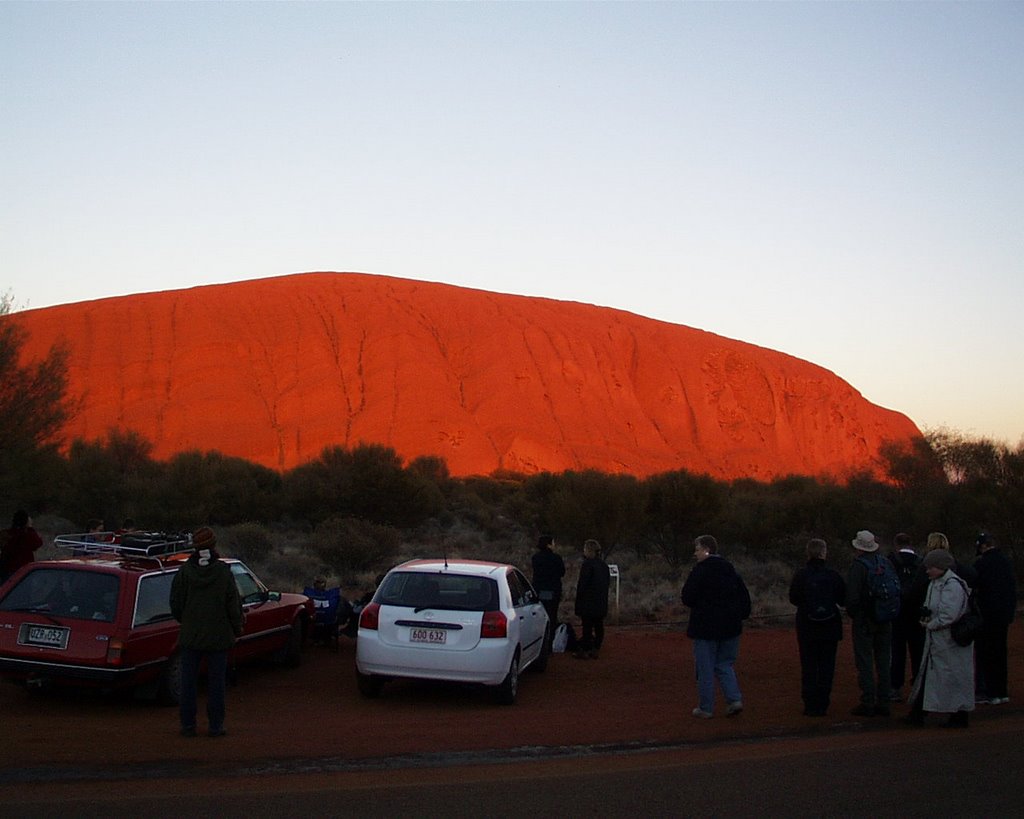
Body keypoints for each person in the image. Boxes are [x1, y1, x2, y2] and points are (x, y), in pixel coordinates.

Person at [170, 527, 243, 738]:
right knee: (216, 684)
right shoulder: (222, 572)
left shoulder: (185, 572)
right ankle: (216, 725)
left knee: (188, 683)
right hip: (219, 637)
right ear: (213, 546)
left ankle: (188, 725)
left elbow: (175, 603)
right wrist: (237, 627)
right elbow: (233, 604)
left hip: (191, 635)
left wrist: (187, 620)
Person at [681, 534, 751, 718]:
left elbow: (687, 597)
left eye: (697, 549)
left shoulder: (700, 571)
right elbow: (744, 599)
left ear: (706, 549)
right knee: (725, 664)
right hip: (731, 627)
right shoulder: (730, 570)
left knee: (705, 668)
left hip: (706, 627)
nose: (695, 553)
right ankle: (734, 699)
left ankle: (706, 707)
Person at [905, 548, 974, 728]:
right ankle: (925, 712)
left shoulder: (952, 585)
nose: (927, 571)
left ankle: (952, 713)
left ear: (941, 567)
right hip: (940, 642)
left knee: (951, 677)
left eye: (930, 567)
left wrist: (930, 624)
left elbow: (948, 615)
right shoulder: (937, 583)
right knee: (939, 676)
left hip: (948, 641)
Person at [788, 538, 846, 716]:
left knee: (809, 665)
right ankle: (823, 703)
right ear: (823, 553)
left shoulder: (801, 575)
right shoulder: (833, 575)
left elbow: (794, 598)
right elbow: (843, 599)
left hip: (807, 626)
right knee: (827, 666)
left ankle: (810, 703)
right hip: (830, 626)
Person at [845, 530, 894, 716]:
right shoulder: (886, 562)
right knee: (883, 660)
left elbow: (852, 597)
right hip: (885, 618)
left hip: (865, 620)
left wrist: (855, 614)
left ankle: (868, 700)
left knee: (865, 660)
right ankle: (884, 701)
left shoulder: (859, 566)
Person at [972, 533, 1017, 705]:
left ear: (983, 546)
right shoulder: (1005, 562)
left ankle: (990, 693)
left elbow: (974, 588)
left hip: (986, 616)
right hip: (1003, 616)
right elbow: (1011, 590)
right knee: (1000, 653)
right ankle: (1002, 691)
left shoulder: (981, 564)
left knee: (986, 654)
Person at [889, 533, 924, 702]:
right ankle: (918, 685)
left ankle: (895, 686)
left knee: (897, 651)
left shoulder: (891, 560)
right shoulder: (921, 562)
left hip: (897, 612)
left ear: (896, 544)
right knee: (917, 650)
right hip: (917, 612)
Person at [573, 539, 610, 659]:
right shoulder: (604, 565)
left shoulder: (587, 564)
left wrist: (579, 600)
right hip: (601, 600)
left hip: (588, 601)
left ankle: (585, 649)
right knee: (599, 625)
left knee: (587, 626)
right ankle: (596, 648)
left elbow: (582, 584)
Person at [531, 535, 565, 638]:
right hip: (553, 590)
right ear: (549, 545)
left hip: (539, 589)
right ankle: (550, 639)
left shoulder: (535, 558)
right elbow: (562, 572)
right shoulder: (557, 558)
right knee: (552, 615)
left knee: (539, 614)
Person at [1, 509, 44, 584]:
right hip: (23, 569)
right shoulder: (27, 535)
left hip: (7, 568)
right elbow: (38, 543)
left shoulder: (6, 534)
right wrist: (30, 528)